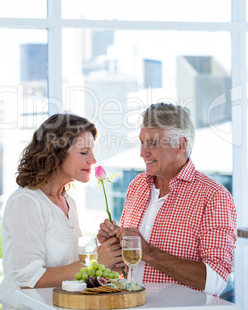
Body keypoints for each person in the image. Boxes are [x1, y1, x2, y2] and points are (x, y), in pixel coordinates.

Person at [98, 103, 237, 296]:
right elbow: (128, 271)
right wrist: (113, 249)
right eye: (141, 142)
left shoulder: (214, 196)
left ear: (181, 144)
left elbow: (216, 281)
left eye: (153, 143)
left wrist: (148, 252)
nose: (142, 152)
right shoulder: (136, 186)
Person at [0, 113, 122, 310]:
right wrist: (96, 261)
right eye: (83, 152)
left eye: (92, 151)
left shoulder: (68, 202)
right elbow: (31, 280)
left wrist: (98, 247)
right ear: (56, 153)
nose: (93, 160)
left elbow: (71, 269)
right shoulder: (26, 202)